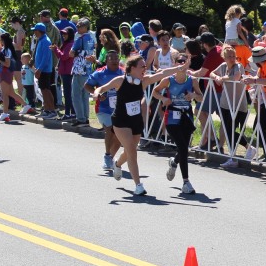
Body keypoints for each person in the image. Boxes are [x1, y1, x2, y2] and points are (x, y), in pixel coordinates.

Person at [95, 54, 189, 196]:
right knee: (132, 151)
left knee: (129, 151)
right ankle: (138, 185)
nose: (145, 69)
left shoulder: (144, 81)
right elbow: (101, 88)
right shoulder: (120, 81)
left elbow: (162, 73)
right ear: (132, 68)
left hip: (136, 121)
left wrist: (179, 68)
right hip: (120, 121)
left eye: (145, 66)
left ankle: (117, 164)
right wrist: (96, 94)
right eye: (142, 66)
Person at [152, 54, 204, 194]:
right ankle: (186, 182)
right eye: (179, 61)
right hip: (171, 118)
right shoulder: (168, 80)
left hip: (186, 117)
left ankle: (174, 162)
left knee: (184, 148)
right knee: (182, 148)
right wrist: (163, 99)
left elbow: (201, 97)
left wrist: (193, 96)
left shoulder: (192, 80)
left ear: (188, 64)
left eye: (184, 61)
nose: (181, 63)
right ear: (174, 63)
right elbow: (155, 91)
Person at [85, 50, 126, 171]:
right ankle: (107, 155)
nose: (114, 61)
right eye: (111, 58)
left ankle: (110, 158)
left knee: (119, 135)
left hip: (120, 109)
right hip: (103, 108)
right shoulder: (99, 73)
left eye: (116, 58)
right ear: (106, 61)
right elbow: (87, 85)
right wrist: (96, 94)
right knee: (109, 128)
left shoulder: (123, 72)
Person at [213, 44, 248, 168]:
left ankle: (247, 148)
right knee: (228, 130)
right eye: (229, 56)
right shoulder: (223, 66)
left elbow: (236, 77)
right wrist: (217, 77)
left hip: (238, 103)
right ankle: (233, 158)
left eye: (234, 56)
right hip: (225, 103)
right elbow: (212, 73)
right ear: (224, 57)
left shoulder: (239, 66)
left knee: (230, 131)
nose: (232, 58)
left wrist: (222, 78)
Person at [0, 32, 31, 121]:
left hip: (5, 72)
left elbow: (7, 64)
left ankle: (5, 113)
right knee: (11, 92)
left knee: (5, 94)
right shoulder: (6, 49)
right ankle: (26, 105)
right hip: (6, 72)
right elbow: (1, 49)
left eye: (1, 40)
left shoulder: (7, 50)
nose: (1, 42)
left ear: (4, 40)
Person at [71, 18, 97, 127]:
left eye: (80, 26)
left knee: (76, 95)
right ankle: (86, 118)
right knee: (85, 96)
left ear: (86, 27)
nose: (77, 27)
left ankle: (81, 119)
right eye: (77, 25)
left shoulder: (80, 39)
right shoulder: (92, 38)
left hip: (79, 70)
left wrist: (77, 53)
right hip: (88, 69)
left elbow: (71, 53)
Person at [32, 22, 57, 118]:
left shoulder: (46, 41)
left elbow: (46, 57)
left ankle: (52, 111)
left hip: (45, 70)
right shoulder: (41, 40)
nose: (34, 32)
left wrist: (39, 69)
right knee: (43, 90)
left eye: (35, 30)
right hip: (42, 70)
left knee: (46, 90)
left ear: (39, 31)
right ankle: (46, 110)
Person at [55, 26, 76, 121]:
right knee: (68, 93)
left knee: (68, 94)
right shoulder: (66, 44)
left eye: (65, 34)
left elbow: (63, 56)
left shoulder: (70, 44)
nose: (63, 35)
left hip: (68, 72)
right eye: (63, 34)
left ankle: (68, 114)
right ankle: (72, 113)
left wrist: (56, 49)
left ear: (70, 35)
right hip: (65, 71)